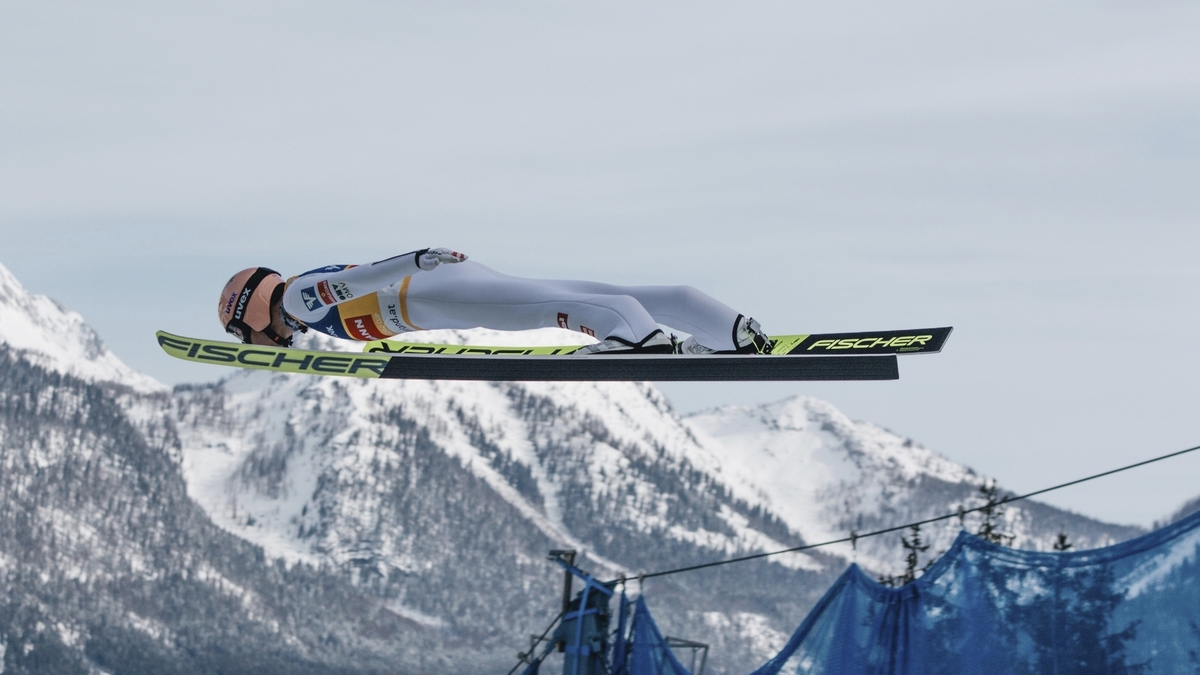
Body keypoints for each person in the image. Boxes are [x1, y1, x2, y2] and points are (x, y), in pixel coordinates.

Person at [217, 248, 771, 355]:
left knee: (542, 308)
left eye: (245, 332)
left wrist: (417, 260)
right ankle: (728, 329)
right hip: (435, 291)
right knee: (574, 292)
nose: (261, 341)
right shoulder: (300, 299)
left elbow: (358, 279)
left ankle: (635, 337)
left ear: (254, 308)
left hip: (432, 292)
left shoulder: (299, 297)